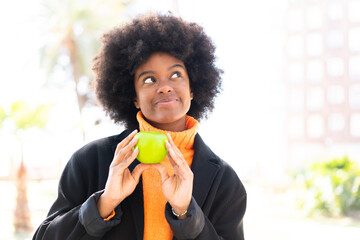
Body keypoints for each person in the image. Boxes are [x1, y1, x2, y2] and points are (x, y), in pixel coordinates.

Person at [33, 13, 247, 240]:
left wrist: (186, 214)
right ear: (133, 97)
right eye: (148, 79)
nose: (164, 87)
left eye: (176, 74)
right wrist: (104, 204)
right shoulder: (90, 161)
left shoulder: (224, 180)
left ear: (193, 88)